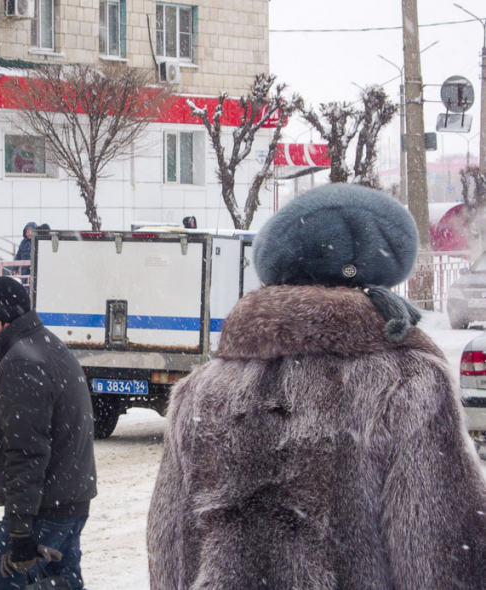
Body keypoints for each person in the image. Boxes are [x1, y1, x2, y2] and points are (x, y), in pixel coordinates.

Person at [147, 184, 486, 590]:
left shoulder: (201, 389)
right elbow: (438, 549)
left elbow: (169, 548)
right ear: (380, 279)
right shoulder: (408, 381)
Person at [0, 276, 97, 590]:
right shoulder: (46, 345)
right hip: (67, 503)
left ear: (2, 321)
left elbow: (26, 455)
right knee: (61, 584)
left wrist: (20, 532)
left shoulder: (23, 364)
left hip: (44, 511)